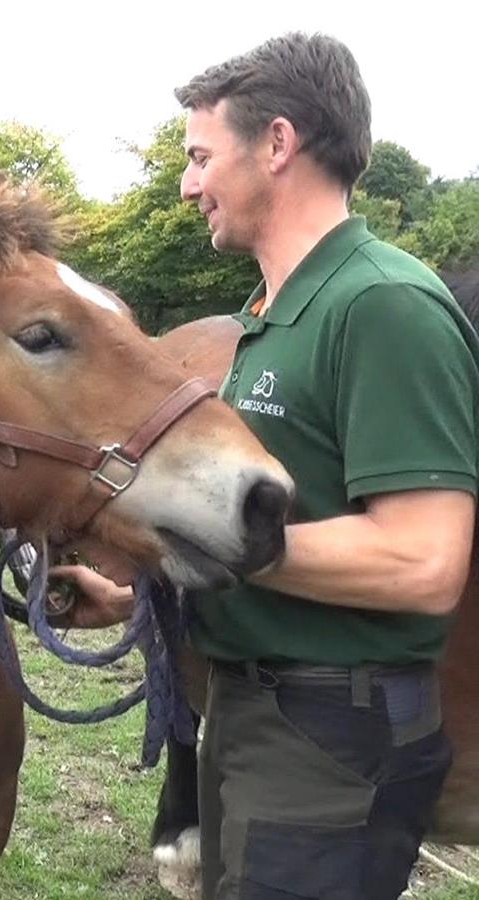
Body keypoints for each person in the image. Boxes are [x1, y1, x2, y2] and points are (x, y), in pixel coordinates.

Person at [62, 34, 479, 899]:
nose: (187, 184)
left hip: (331, 736)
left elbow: (424, 563)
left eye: (201, 157)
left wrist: (221, 546)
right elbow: (300, 518)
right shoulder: (274, 316)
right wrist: (143, 595)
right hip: (259, 717)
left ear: (279, 145)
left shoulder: (382, 305)